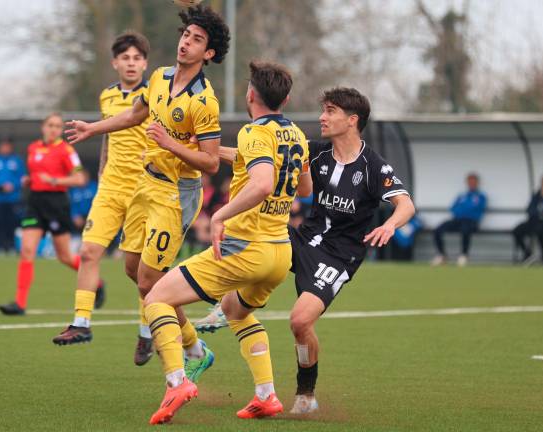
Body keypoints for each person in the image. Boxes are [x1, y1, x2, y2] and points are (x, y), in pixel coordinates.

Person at [191, 87, 415, 415]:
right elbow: (250, 156)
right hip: (302, 238)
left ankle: (306, 394)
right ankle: (231, 305)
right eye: (323, 110)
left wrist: (390, 225)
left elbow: (405, 204)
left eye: (330, 111)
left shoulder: (373, 167)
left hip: (339, 256)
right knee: (261, 240)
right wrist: (206, 152)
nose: (322, 117)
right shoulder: (314, 152)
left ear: (352, 121)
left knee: (299, 322)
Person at [58, 5, 230, 384]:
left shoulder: (204, 101)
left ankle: (187, 358)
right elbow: (136, 114)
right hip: (144, 185)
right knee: (133, 270)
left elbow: (212, 163)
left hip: (176, 195)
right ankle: (196, 348)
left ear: (210, 53)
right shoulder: (160, 76)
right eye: (186, 35)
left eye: (197, 40)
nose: (186, 42)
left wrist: (169, 143)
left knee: (151, 283)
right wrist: (94, 128)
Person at [143, 61, 307, 424]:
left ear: (250, 94)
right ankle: (266, 395)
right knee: (236, 312)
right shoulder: (296, 134)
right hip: (279, 251)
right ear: (286, 97)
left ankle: (176, 382)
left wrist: (220, 215)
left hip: (245, 247)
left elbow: (263, 182)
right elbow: (304, 187)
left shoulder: (253, 131)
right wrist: (221, 152)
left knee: (155, 298)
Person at [51, 31, 150, 355]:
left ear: (145, 63)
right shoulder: (107, 95)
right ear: (115, 63)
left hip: (143, 190)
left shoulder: (154, 95)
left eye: (137, 58)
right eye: (125, 58)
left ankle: (146, 329)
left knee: (139, 268)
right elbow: (110, 136)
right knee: (89, 252)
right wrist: (102, 170)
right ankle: (81, 322)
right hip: (110, 188)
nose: (131, 63)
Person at [0, 113, 93, 315]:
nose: (53, 129)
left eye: (58, 126)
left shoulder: (67, 150)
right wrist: (29, 181)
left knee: (65, 256)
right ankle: (20, 303)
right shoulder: (33, 148)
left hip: (57, 204)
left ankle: (97, 282)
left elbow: (79, 179)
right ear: (43, 127)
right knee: (27, 250)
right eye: (50, 125)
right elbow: (35, 174)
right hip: (35, 202)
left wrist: (55, 181)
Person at [431, 173, 487, 266]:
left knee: (465, 230)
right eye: (469, 181)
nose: (471, 183)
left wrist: (464, 209)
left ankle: (463, 255)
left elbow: (477, 209)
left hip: (471, 221)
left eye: (473, 181)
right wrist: (463, 210)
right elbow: (453, 208)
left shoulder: (480, 196)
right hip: (458, 220)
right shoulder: (462, 196)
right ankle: (442, 255)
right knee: (438, 229)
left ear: (477, 183)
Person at [0, 138, 26, 254]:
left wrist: (13, 185)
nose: (5, 148)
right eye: (3, 146)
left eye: (7, 146)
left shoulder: (17, 161)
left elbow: (23, 179)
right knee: (0, 223)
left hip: (13, 198)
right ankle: (0, 247)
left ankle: (12, 247)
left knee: (12, 223)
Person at [513, 174, 543, 264]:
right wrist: (541, 210)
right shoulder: (538, 194)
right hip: (534, 221)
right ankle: (528, 253)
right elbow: (529, 209)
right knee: (517, 230)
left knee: (540, 230)